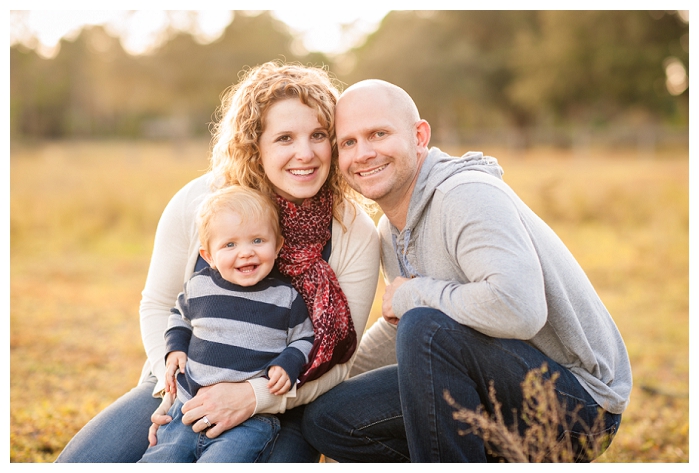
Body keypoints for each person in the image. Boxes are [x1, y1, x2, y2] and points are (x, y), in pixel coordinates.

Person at [55, 61, 380, 463]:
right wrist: (171, 387)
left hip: (287, 407)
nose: (306, 153)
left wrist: (251, 397)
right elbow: (158, 304)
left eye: (318, 135)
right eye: (284, 138)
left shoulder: (355, 233)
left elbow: (340, 362)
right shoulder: (200, 202)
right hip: (183, 390)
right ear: (254, 145)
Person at [301, 79, 633, 462]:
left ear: (419, 135)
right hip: (495, 392)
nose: (364, 153)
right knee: (328, 418)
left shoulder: (464, 195)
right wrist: (315, 377)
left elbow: (518, 309)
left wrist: (413, 295)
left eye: (379, 133)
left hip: (578, 409)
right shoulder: (390, 232)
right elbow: (404, 332)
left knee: (426, 327)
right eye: (348, 142)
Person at [138, 185, 315, 462]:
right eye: (230, 245)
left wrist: (287, 362)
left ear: (278, 245)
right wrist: (175, 348)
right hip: (187, 409)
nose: (246, 253)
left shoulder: (286, 298)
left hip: (249, 421)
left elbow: (304, 338)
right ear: (208, 255)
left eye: (257, 240)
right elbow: (179, 317)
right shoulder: (199, 287)